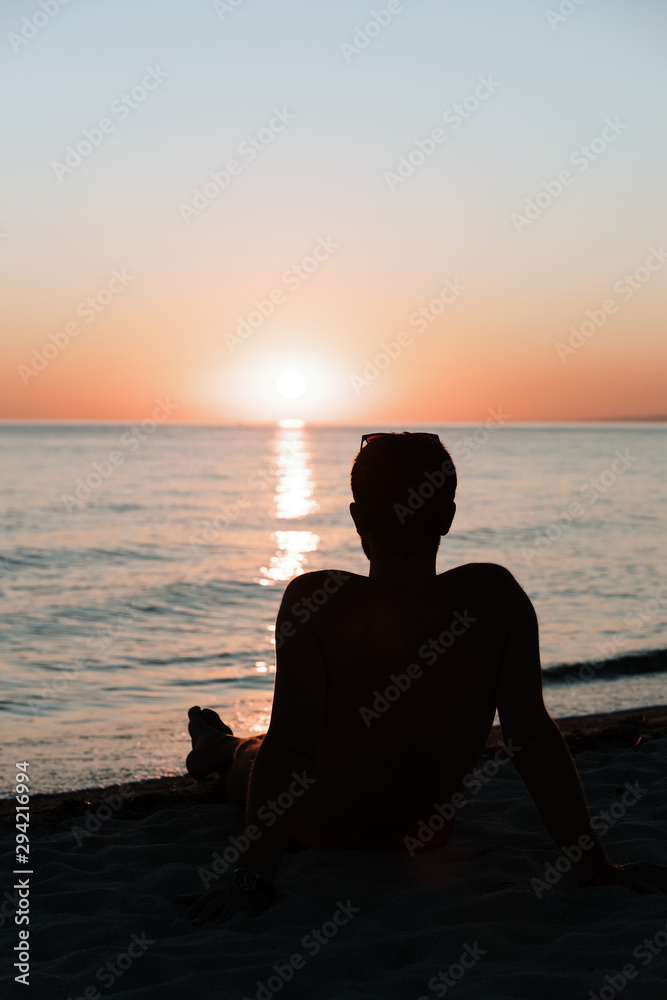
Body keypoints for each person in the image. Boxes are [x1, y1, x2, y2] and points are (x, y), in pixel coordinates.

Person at [175, 431, 667, 923]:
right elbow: (533, 738)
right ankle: (223, 746)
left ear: (356, 518)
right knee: (264, 750)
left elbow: (289, 751)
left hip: (321, 827)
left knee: (253, 759)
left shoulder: (313, 601)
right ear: (448, 518)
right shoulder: (496, 597)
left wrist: (251, 881)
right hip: (426, 831)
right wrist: (594, 867)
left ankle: (220, 749)